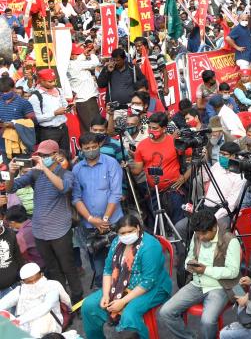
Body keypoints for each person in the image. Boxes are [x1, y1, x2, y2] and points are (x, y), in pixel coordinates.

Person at [6, 140, 82, 304]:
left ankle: (77, 300)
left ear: (56, 155)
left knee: (68, 267)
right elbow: (11, 188)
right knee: (53, 269)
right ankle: (62, 303)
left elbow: (63, 188)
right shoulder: (35, 173)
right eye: (40, 155)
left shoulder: (66, 173)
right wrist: (11, 173)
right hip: (40, 230)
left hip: (60, 229)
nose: (42, 158)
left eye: (46, 155)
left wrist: (45, 169)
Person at [81, 214, 172, 339]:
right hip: (121, 284)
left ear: (138, 228)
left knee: (129, 315)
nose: (126, 235)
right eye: (122, 233)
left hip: (152, 287)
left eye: (130, 231)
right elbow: (108, 270)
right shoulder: (117, 242)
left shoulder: (150, 247)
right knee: (89, 305)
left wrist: (122, 301)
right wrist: (106, 295)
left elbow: (148, 282)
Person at [159, 209, 242, 339]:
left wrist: (205, 270)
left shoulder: (230, 240)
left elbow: (233, 272)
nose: (201, 237)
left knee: (207, 322)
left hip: (220, 287)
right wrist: (190, 264)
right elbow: (189, 256)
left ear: (214, 228)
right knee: (166, 312)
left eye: (204, 234)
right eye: (198, 234)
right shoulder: (197, 235)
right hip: (197, 284)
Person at [72, 132, 124, 288]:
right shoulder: (77, 169)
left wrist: (105, 220)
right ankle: (103, 293)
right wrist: (91, 219)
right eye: (87, 148)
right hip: (90, 225)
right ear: (81, 149)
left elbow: (116, 193)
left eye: (94, 147)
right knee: (98, 262)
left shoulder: (111, 163)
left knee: (119, 259)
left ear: (99, 145)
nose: (91, 150)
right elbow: (76, 198)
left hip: (113, 221)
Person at [0, 263, 71, 337]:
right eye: (29, 282)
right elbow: (3, 303)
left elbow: (47, 306)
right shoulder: (20, 291)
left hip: (51, 326)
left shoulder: (52, 285)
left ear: (41, 274)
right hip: (26, 327)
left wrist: (18, 321)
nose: (34, 283)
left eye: (36, 279)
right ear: (23, 282)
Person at [28, 68, 71, 156]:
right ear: (41, 81)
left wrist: (69, 107)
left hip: (63, 129)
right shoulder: (35, 97)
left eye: (54, 81)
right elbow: (37, 119)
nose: (53, 83)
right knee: (50, 157)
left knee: (65, 155)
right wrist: (54, 113)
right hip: (48, 132)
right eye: (50, 81)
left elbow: (64, 104)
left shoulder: (58, 90)